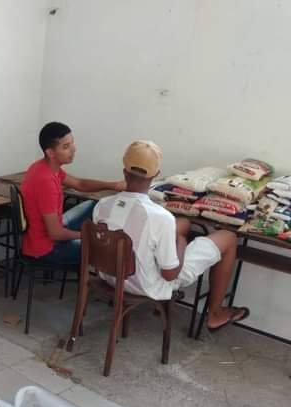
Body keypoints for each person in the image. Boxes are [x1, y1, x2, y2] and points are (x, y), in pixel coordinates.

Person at [93, 140, 250, 331]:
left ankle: (165, 300)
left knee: (183, 223)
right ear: (156, 175)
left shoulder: (102, 205)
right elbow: (169, 275)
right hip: (148, 285)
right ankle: (215, 314)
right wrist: (181, 243)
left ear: (124, 171)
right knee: (228, 237)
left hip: (111, 276)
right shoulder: (161, 217)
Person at [20, 122, 126, 265]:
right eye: (66, 147)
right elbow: (55, 233)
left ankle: (103, 237)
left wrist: (114, 185)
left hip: (51, 230)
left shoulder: (46, 166)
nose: (73, 149)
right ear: (50, 153)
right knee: (106, 247)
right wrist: (87, 236)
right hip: (47, 248)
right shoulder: (45, 181)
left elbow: (79, 184)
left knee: (94, 205)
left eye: (72, 143)